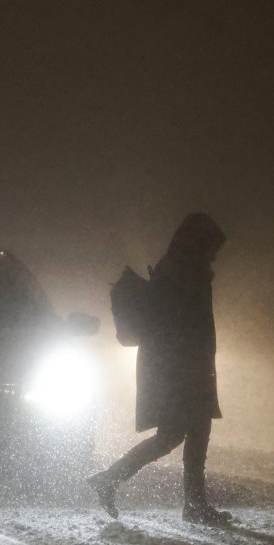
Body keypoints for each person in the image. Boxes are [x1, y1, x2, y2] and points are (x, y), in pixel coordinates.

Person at [88, 213, 231, 525]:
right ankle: (192, 505)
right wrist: (191, 363)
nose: (215, 255)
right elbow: (182, 325)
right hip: (180, 367)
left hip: (179, 365)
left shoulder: (180, 268)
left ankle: (113, 480)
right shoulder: (184, 273)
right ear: (199, 242)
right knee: (187, 432)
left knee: (177, 434)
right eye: (212, 247)